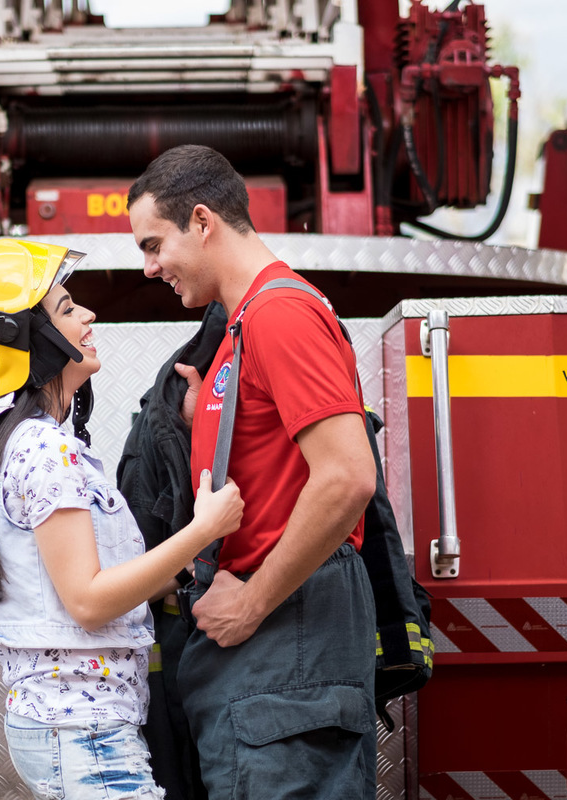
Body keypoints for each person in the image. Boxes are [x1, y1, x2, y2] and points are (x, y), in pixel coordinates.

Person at [0, 238, 244, 800]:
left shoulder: (15, 439)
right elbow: (90, 600)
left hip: (68, 723)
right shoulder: (48, 451)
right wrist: (204, 529)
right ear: (20, 336)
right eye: (67, 308)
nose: (88, 315)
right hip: (84, 732)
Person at [127, 145, 380, 799]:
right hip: (269, 661)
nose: (150, 268)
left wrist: (253, 600)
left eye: (155, 245)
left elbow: (347, 476)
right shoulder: (242, 328)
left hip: (286, 642)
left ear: (203, 221)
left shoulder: (280, 315)